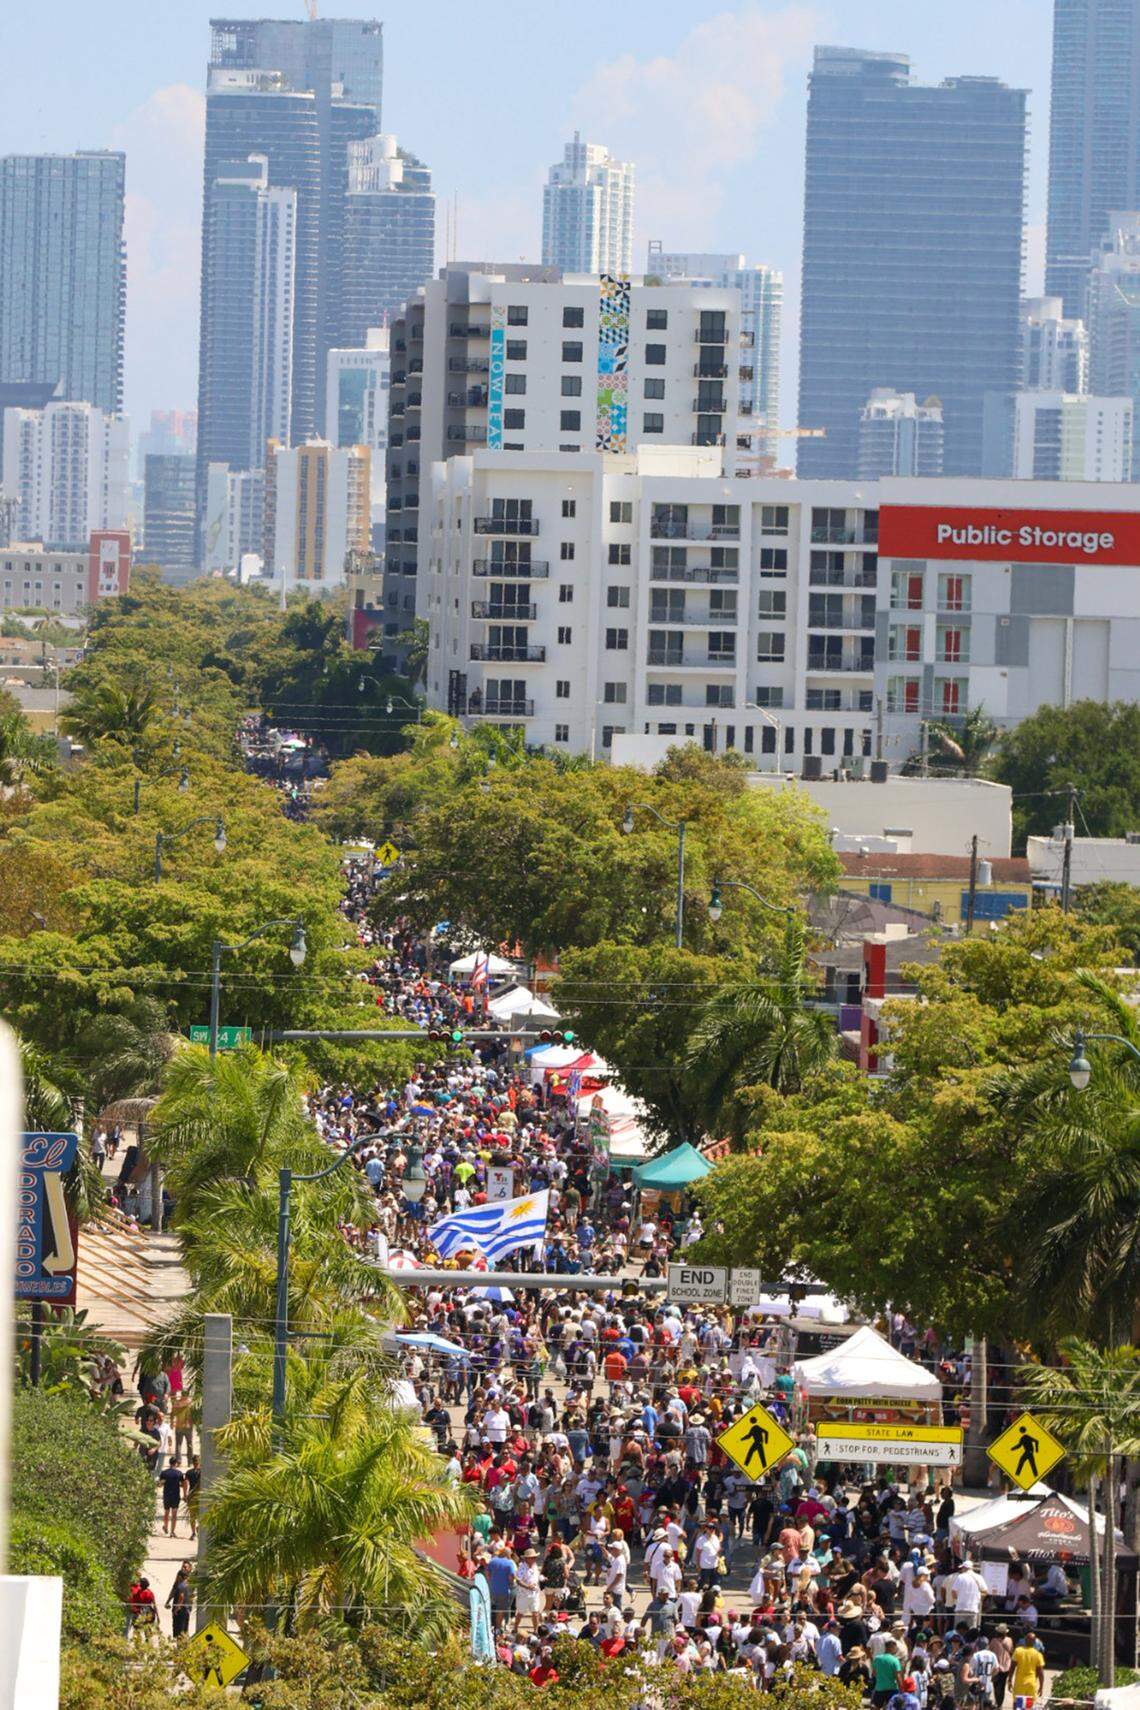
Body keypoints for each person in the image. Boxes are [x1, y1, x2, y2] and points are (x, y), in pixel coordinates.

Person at [1010, 1632, 1045, 1701]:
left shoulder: (1018, 1651)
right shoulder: (1038, 1654)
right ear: (1034, 1642)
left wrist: (1009, 1680)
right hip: (1031, 1683)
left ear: (1025, 1640)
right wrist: (1041, 1687)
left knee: (1018, 1705)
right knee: (1028, 1706)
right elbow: (1041, 1672)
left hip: (1020, 1683)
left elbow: (1012, 1667)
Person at [165, 1561, 193, 1638]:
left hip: (182, 1609)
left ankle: (181, 1647)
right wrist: (168, 1601)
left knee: (181, 1631)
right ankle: (181, 1646)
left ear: (190, 1569)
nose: (183, 1568)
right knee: (180, 1631)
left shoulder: (189, 1581)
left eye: (185, 1567)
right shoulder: (179, 1582)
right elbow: (173, 1590)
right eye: (182, 1566)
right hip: (180, 1608)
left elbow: (182, 1596)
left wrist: (177, 1608)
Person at [160, 1458, 185, 1537]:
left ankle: (165, 1526)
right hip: (175, 1495)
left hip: (167, 1494)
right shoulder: (179, 1473)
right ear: (176, 1463)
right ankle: (172, 1532)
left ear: (169, 1463)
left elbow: (160, 1484)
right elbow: (182, 1484)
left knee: (166, 1512)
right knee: (174, 1514)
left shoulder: (164, 1473)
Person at [185, 1454, 201, 1540]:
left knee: (192, 1516)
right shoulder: (203, 1471)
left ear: (192, 1462)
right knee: (201, 1514)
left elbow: (186, 1484)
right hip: (201, 1495)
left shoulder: (189, 1472)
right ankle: (199, 1528)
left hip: (191, 1495)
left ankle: (193, 1533)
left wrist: (185, 1494)